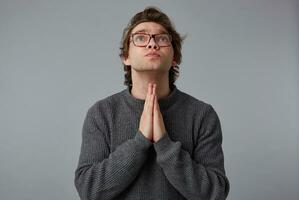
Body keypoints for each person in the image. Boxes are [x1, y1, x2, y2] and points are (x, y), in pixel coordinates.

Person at [74, 6, 230, 200]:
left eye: (162, 38)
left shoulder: (202, 115)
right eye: (140, 38)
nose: (152, 44)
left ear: (175, 58)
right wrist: (140, 141)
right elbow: (89, 190)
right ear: (126, 57)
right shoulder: (101, 113)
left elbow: (215, 193)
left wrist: (164, 143)